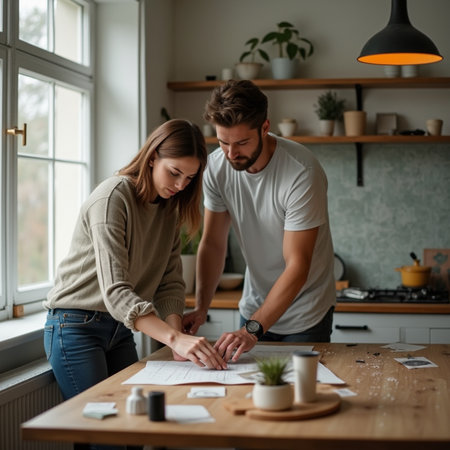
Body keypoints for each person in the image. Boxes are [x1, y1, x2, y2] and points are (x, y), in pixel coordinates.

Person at [44, 119, 227, 449]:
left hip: (118, 329)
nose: (181, 185)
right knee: (107, 438)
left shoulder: (169, 208)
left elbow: (170, 283)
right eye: (175, 173)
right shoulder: (113, 197)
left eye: (189, 178)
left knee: (135, 433)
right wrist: (174, 338)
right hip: (75, 327)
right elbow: (116, 292)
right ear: (152, 156)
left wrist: (176, 341)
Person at [183, 80, 336, 363]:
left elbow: (298, 266)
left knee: (299, 395)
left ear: (265, 128)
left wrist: (252, 330)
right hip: (254, 305)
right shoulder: (217, 168)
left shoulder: (301, 171)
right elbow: (213, 243)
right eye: (223, 142)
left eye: (242, 142)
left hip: (306, 311)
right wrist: (201, 307)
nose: (231, 153)